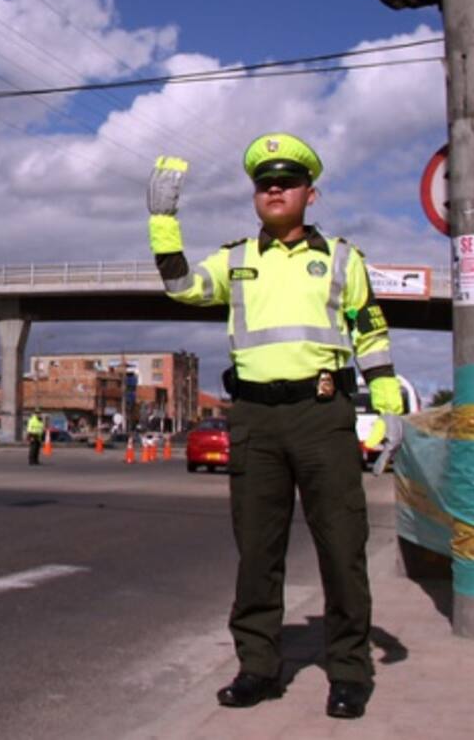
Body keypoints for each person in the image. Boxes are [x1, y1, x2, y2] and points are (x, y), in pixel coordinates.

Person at [147, 133, 404, 720]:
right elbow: (182, 287)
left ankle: (349, 671)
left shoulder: (341, 258)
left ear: (311, 194)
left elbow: (370, 330)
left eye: (287, 182)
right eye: (265, 183)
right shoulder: (235, 259)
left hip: (322, 415)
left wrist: (388, 401)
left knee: (342, 546)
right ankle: (258, 668)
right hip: (256, 420)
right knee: (258, 552)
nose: (275, 190)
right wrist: (163, 222)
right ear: (255, 196)